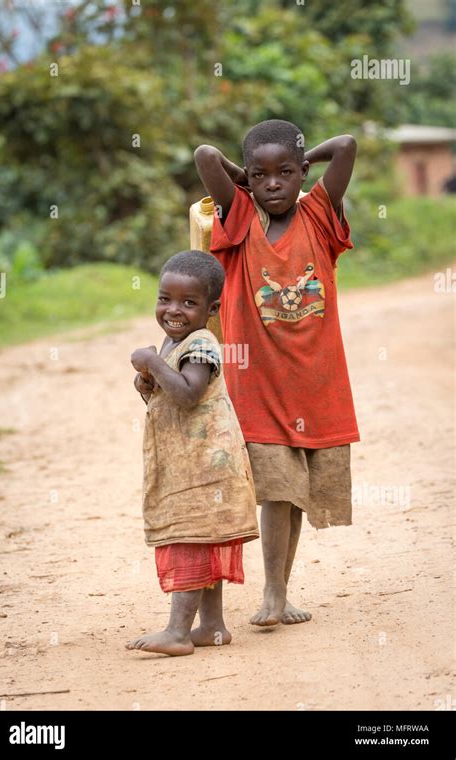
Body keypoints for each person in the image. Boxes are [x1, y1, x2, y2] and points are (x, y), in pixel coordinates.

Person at [194, 119, 360, 627]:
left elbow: (347, 146)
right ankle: (272, 595)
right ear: (247, 178)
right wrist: (239, 177)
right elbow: (204, 155)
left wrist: (306, 164)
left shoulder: (319, 214)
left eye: (285, 173)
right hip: (260, 389)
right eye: (260, 175)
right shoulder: (240, 217)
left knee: (297, 499)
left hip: (318, 385)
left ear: (303, 172)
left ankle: (281, 592)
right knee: (277, 493)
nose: (272, 184)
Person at [126, 250, 259, 656]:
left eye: (189, 302)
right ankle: (213, 626)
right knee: (205, 539)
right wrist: (148, 382)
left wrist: (152, 361)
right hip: (192, 466)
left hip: (204, 469)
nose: (173, 310)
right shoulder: (176, 342)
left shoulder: (202, 343)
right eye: (165, 298)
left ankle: (178, 632)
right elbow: (169, 393)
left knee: (189, 539)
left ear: (212, 308)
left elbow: (186, 394)